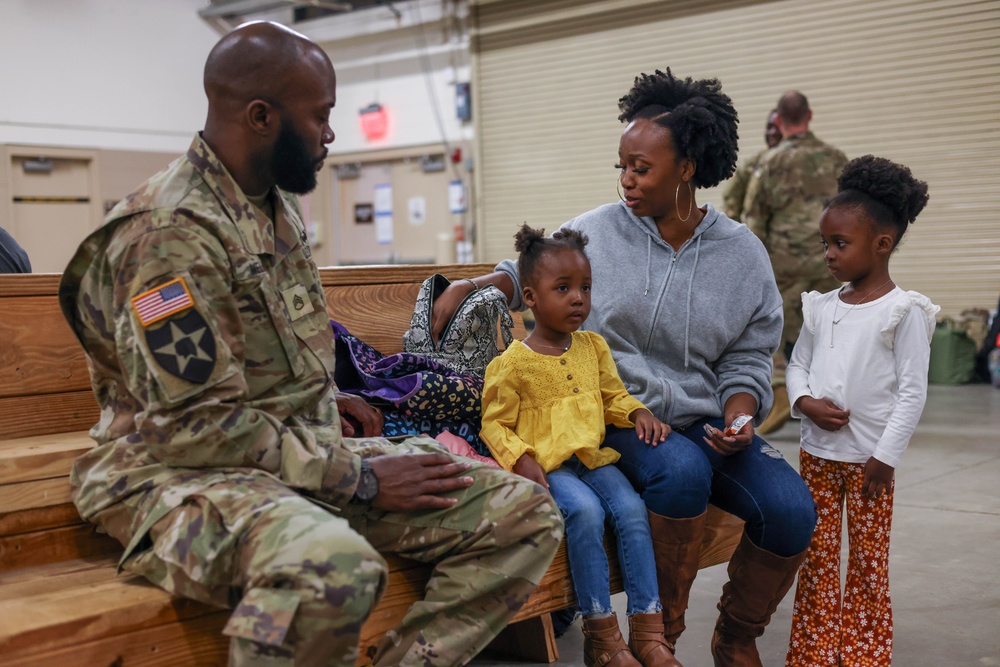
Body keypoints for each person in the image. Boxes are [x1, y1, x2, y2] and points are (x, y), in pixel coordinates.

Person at [57, 21, 562, 667]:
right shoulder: (167, 235)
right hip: (176, 475)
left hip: (293, 454)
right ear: (261, 116)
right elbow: (198, 428)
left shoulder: (271, 204)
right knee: (332, 565)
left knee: (524, 512)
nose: (330, 133)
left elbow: (281, 344)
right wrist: (361, 476)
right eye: (320, 115)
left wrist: (326, 401)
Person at [432, 68, 817, 667]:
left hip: (706, 421)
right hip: (612, 411)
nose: (627, 181)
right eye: (623, 166)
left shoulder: (741, 253)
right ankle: (656, 634)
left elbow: (749, 354)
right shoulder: (598, 230)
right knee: (681, 473)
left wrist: (741, 418)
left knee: (792, 510)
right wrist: (475, 284)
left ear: (686, 168)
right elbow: (532, 269)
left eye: (642, 168)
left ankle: (737, 635)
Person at [481, 224, 676, 667]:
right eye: (563, 288)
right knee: (585, 512)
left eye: (585, 288)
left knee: (630, 510)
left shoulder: (593, 346)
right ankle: (602, 635)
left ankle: (648, 628)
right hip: (551, 468)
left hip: (592, 458)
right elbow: (494, 425)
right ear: (530, 297)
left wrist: (638, 412)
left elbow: (613, 396)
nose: (578, 299)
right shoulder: (511, 364)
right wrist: (522, 459)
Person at [784, 156, 937, 667]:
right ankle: (814, 651)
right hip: (817, 456)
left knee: (868, 561)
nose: (828, 254)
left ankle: (864, 653)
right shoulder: (821, 307)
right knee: (819, 558)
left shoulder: (903, 312)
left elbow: (913, 391)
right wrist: (804, 403)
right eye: (825, 243)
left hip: (870, 462)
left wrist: (886, 456)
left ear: (882, 244)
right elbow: (797, 365)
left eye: (840, 244)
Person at [743, 91, 848, 435]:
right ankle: (834, 401)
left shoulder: (769, 162)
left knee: (770, 331)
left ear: (780, 121)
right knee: (829, 331)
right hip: (829, 260)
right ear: (810, 115)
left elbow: (753, 219)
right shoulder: (836, 159)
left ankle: (780, 390)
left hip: (783, 264)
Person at [722, 109, 782, 221]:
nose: (773, 132)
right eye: (769, 127)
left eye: (778, 127)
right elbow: (731, 208)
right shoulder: (749, 167)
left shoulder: (800, 166)